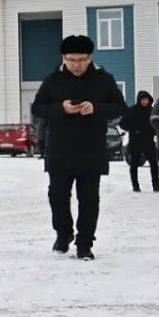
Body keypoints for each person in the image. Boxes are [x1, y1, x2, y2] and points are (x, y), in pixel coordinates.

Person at [29, 35, 127, 260]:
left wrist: (96, 108)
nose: (76, 65)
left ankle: (85, 243)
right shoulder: (53, 80)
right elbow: (37, 108)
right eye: (71, 60)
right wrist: (60, 108)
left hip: (91, 150)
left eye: (81, 60)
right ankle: (63, 234)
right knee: (58, 197)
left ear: (90, 57)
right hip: (60, 150)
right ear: (64, 58)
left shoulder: (104, 80)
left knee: (90, 199)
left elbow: (120, 107)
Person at [119, 91, 159, 193]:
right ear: (139, 100)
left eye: (147, 100)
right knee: (134, 164)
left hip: (149, 141)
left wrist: (155, 132)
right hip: (135, 141)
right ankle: (135, 186)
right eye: (143, 100)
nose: (145, 102)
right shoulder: (132, 111)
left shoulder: (152, 111)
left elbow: (156, 123)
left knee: (154, 163)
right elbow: (122, 124)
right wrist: (133, 129)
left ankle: (156, 185)